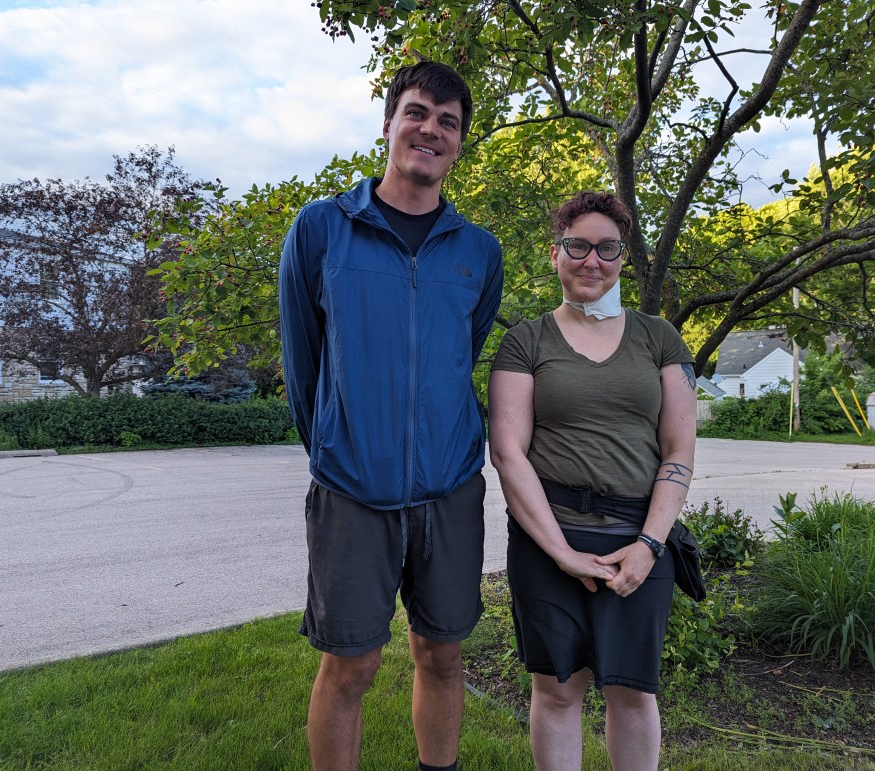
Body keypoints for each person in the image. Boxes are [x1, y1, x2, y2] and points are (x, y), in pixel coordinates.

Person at [278, 61, 503, 771]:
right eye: (417, 112)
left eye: (448, 121)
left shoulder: (479, 251)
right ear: (388, 124)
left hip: (451, 490)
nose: (431, 129)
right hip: (352, 492)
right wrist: (344, 450)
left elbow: (457, 357)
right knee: (352, 666)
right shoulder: (321, 231)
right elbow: (304, 366)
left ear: (460, 143)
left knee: (441, 652)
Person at [487, 191, 696, 770]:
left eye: (607, 248)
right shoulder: (526, 341)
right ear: (555, 253)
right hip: (549, 535)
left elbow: (678, 450)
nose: (591, 260)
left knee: (632, 692)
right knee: (558, 691)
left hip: (639, 539)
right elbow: (509, 453)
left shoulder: (659, 339)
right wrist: (560, 552)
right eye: (577, 245)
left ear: (623, 258)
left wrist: (651, 545)